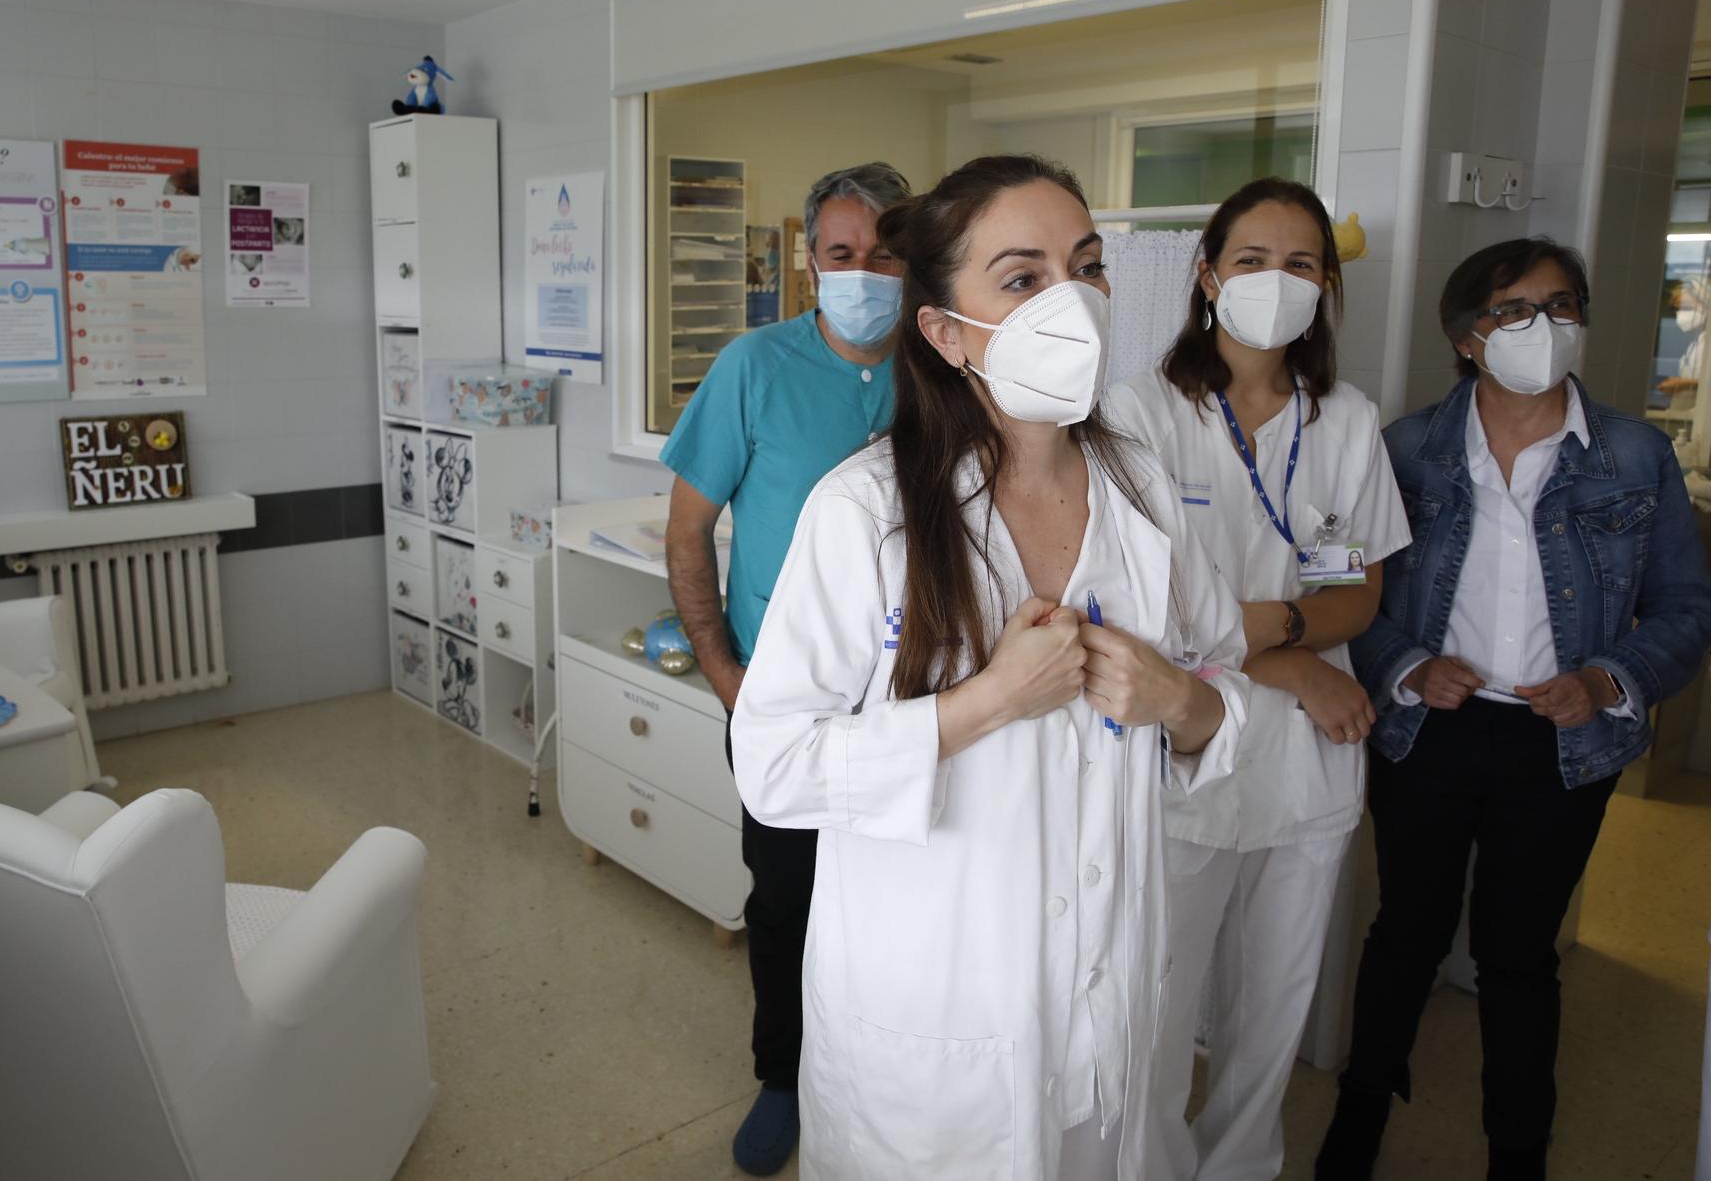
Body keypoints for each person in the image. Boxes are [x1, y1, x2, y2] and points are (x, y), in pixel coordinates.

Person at [730, 154, 1252, 1180]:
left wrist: (1177, 702)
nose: (1073, 302)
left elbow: (1220, 692)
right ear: (942, 329)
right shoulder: (863, 511)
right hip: (938, 1016)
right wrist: (982, 704)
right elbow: (772, 764)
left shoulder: (1142, 487)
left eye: (1085, 266)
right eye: (1022, 278)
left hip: (1108, 992)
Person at [1319, 238, 1711, 1181]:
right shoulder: (1407, 447)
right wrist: (1409, 666)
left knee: (1518, 952)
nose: (1545, 327)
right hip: (1430, 730)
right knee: (1405, 930)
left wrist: (1610, 678)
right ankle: (1358, 1123)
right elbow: (1345, 596)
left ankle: (1517, 1149)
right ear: (1466, 338)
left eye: (1562, 305)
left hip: (1562, 739)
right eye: (1514, 311)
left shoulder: (1633, 453)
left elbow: (1688, 607)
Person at [1106, 178, 1411, 1181]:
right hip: (1183, 749)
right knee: (1155, 1013)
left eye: (1297, 264)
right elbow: (1148, 615)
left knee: (1267, 1018)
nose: (1272, 283)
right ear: (1204, 276)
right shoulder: (1140, 412)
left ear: (1323, 286)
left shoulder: (1343, 421)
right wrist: (1289, 657)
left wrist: (1261, 632)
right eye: (1249, 260)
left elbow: (1353, 596)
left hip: (1305, 760)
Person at [659, 161, 914, 1176]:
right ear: (810, 263)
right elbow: (686, 533)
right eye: (841, 253)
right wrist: (727, 674)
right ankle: (781, 1074)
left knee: (898, 898)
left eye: (885, 252)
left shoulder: (941, 369)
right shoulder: (753, 366)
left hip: (907, 704)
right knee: (785, 899)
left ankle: (880, 1071)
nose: (863, 271)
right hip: (781, 697)